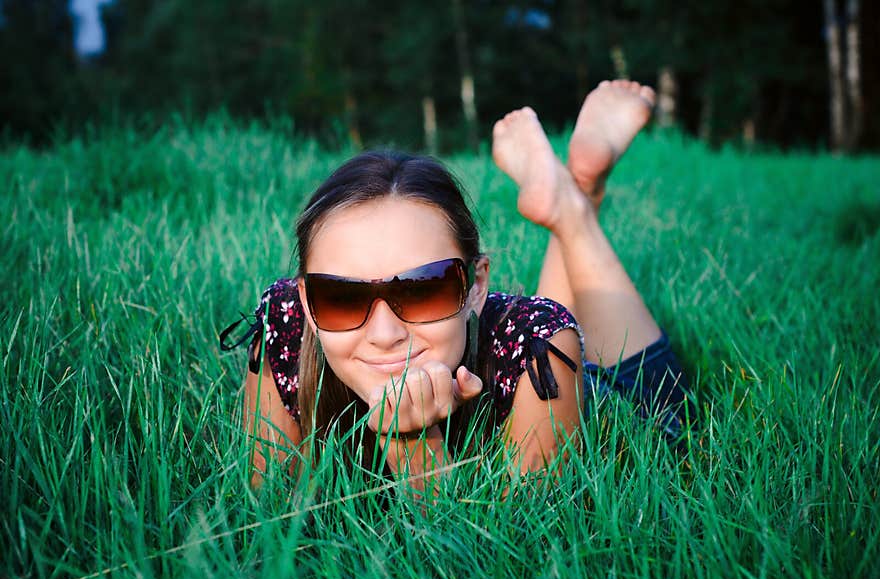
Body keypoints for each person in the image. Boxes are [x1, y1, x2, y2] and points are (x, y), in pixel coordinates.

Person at [219, 80, 691, 493]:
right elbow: (268, 519)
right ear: (305, 299)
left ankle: (575, 206)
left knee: (664, 405)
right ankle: (573, 192)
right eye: (341, 296)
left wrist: (413, 449)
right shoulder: (285, 323)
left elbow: (510, 561)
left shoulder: (539, 344)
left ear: (476, 286)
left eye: (422, 289)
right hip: (519, 349)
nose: (385, 335)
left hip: (615, 400)